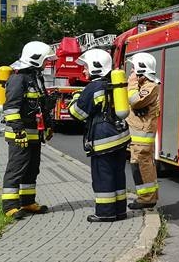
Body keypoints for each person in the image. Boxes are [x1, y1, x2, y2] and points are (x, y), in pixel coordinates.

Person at [68, 48, 131, 223]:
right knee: (118, 174)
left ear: (96, 67)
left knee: (103, 177)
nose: (83, 70)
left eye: (86, 67)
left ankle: (105, 213)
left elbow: (77, 113)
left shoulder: (92, 87)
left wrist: (75, 97)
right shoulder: (114, 82)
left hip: (103, 139)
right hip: (120, 136)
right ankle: (120, 211)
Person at [0, 41, 56, 219]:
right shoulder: (18, 78)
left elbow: (40, 106)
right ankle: (9, 206)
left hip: (34, 133)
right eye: (45, 60)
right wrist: (18, 131)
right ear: (36, 58)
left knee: (32, 169)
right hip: (20, 133)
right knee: (16, 169)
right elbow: (11, 108)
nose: (47, 63)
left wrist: (49, 126)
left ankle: (27, 202)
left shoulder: (35, 77)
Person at [126, 52, 161, 209]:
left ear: (141, 69)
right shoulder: (145, 86)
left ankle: (146, 199)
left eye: (134, 69)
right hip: (138, 135)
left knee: (142, 165)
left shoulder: (151, 87)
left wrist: (132, 82)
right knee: (141, 165)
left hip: (142, 136)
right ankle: (148, 197)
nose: (132, 72)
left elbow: (134, 101)